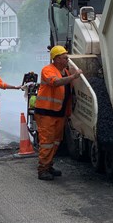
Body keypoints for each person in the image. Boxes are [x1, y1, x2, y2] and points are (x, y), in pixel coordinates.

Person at [34, 45, 83, 180]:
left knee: (56, 141)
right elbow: (55, 83)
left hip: (59, 113)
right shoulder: (47, 70)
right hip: (46, 112)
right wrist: (74, 76)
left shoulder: (65, 72)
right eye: (64, 57)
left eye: (67, 57)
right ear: (56, 59)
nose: (67, 59)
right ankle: (42, 170)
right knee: (47, 141)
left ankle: (48, 165)